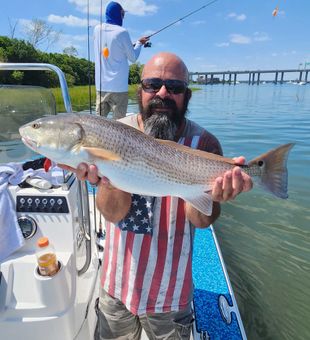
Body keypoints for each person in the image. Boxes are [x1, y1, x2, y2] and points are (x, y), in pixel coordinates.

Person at [63, 52, 253, 339]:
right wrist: (109, 179)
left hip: (171, 294)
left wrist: (217, 195)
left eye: (174, 88)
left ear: (187, 95)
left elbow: (201, 221)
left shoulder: (205, 143)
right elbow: (113, 214)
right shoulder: (115, 132)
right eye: (152, 85)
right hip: (117, 283)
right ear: (140, 91)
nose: (162, 93)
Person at [94, 1, 149, 119]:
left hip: (101, 88)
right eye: (123, 14)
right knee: (120, 125)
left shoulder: (97, 29)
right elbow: (133, 57)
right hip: (119, 88)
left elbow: (109, 48)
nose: (123, 17)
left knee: (99, 123)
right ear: (119, 14)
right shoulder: (122, 32)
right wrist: (139, 43)